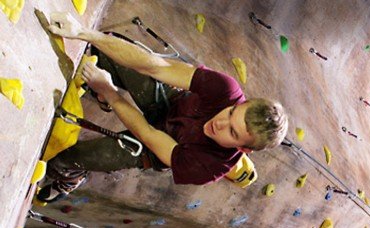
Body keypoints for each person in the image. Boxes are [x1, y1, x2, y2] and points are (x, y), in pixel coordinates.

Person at [37, 12, 288, 202]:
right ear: (240, 103)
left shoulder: (207, 167)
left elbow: (147, 133)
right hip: (170, 105)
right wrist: (84, 32)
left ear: (243, 149)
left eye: (232, 132)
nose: (220, 122)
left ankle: (69, 177)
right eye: (232, 112)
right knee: (107, 48)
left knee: (67, 158)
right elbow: (156, 66)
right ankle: (97, 89)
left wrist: (111, 94)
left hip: (156, 146)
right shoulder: (226, 90)